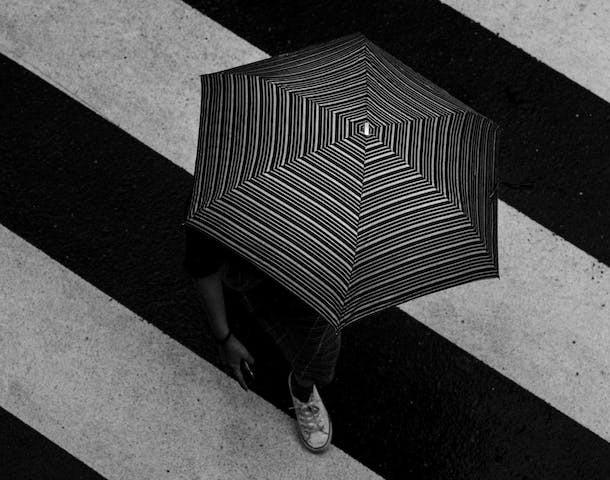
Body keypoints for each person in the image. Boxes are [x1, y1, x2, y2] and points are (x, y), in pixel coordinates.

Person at [182, 197, 342, 454]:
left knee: (318, 346)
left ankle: (303, 387)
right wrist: (224, 336)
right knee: (316, 348)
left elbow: (202, 264)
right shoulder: (219, 209)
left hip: (305, 262)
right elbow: (202, 264)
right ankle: (302, 389)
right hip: (257, 269)